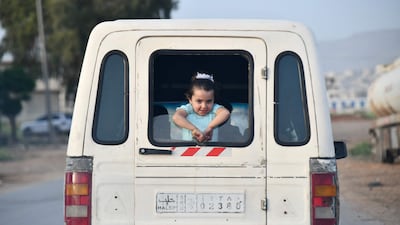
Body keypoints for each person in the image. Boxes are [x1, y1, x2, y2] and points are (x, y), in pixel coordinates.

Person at [172, 72, 230, 143]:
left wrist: (210, 127)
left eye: (209, 101)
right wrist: (194, 129)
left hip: (212, 149)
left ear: (214, 99)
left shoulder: (214, 108)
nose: (204, 106)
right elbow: (176, 117)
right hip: (187, 150)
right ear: (190, 99)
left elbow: (225, 113)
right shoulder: (188, 108)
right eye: (199, 101)